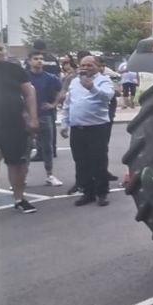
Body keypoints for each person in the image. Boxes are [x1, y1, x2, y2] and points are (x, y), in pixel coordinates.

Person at [60, 55, 115, 207]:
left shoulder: (104, 81)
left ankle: (102, 193)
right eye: (82, 65)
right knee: (81, 161)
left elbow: (107, 97)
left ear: (98, 67)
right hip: (77, 128)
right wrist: (64, 123)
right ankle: (87, 192)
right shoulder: (74, 81)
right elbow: (68, 103)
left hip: (96, 128)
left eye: (89, 65)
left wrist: (92, 87)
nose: (85, 68)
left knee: (98, 161)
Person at [0, 40, 39, 213]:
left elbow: (29, 93)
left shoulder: (15, 70)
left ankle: (19, 199)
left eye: (0, 49)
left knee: (16, 163)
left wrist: (33, 118)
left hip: (12, 123)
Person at [26, 50, 63, 186]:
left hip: (45, 116)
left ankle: (50, 175)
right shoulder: (24, 77)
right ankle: (22, 177)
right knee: (26, 147)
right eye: (35, 58)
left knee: (47, 147)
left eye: (41, 58)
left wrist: (53, 104)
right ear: (30, 61)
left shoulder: (50, 77)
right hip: (27, 117)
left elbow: (61, 90)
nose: (39, 61)